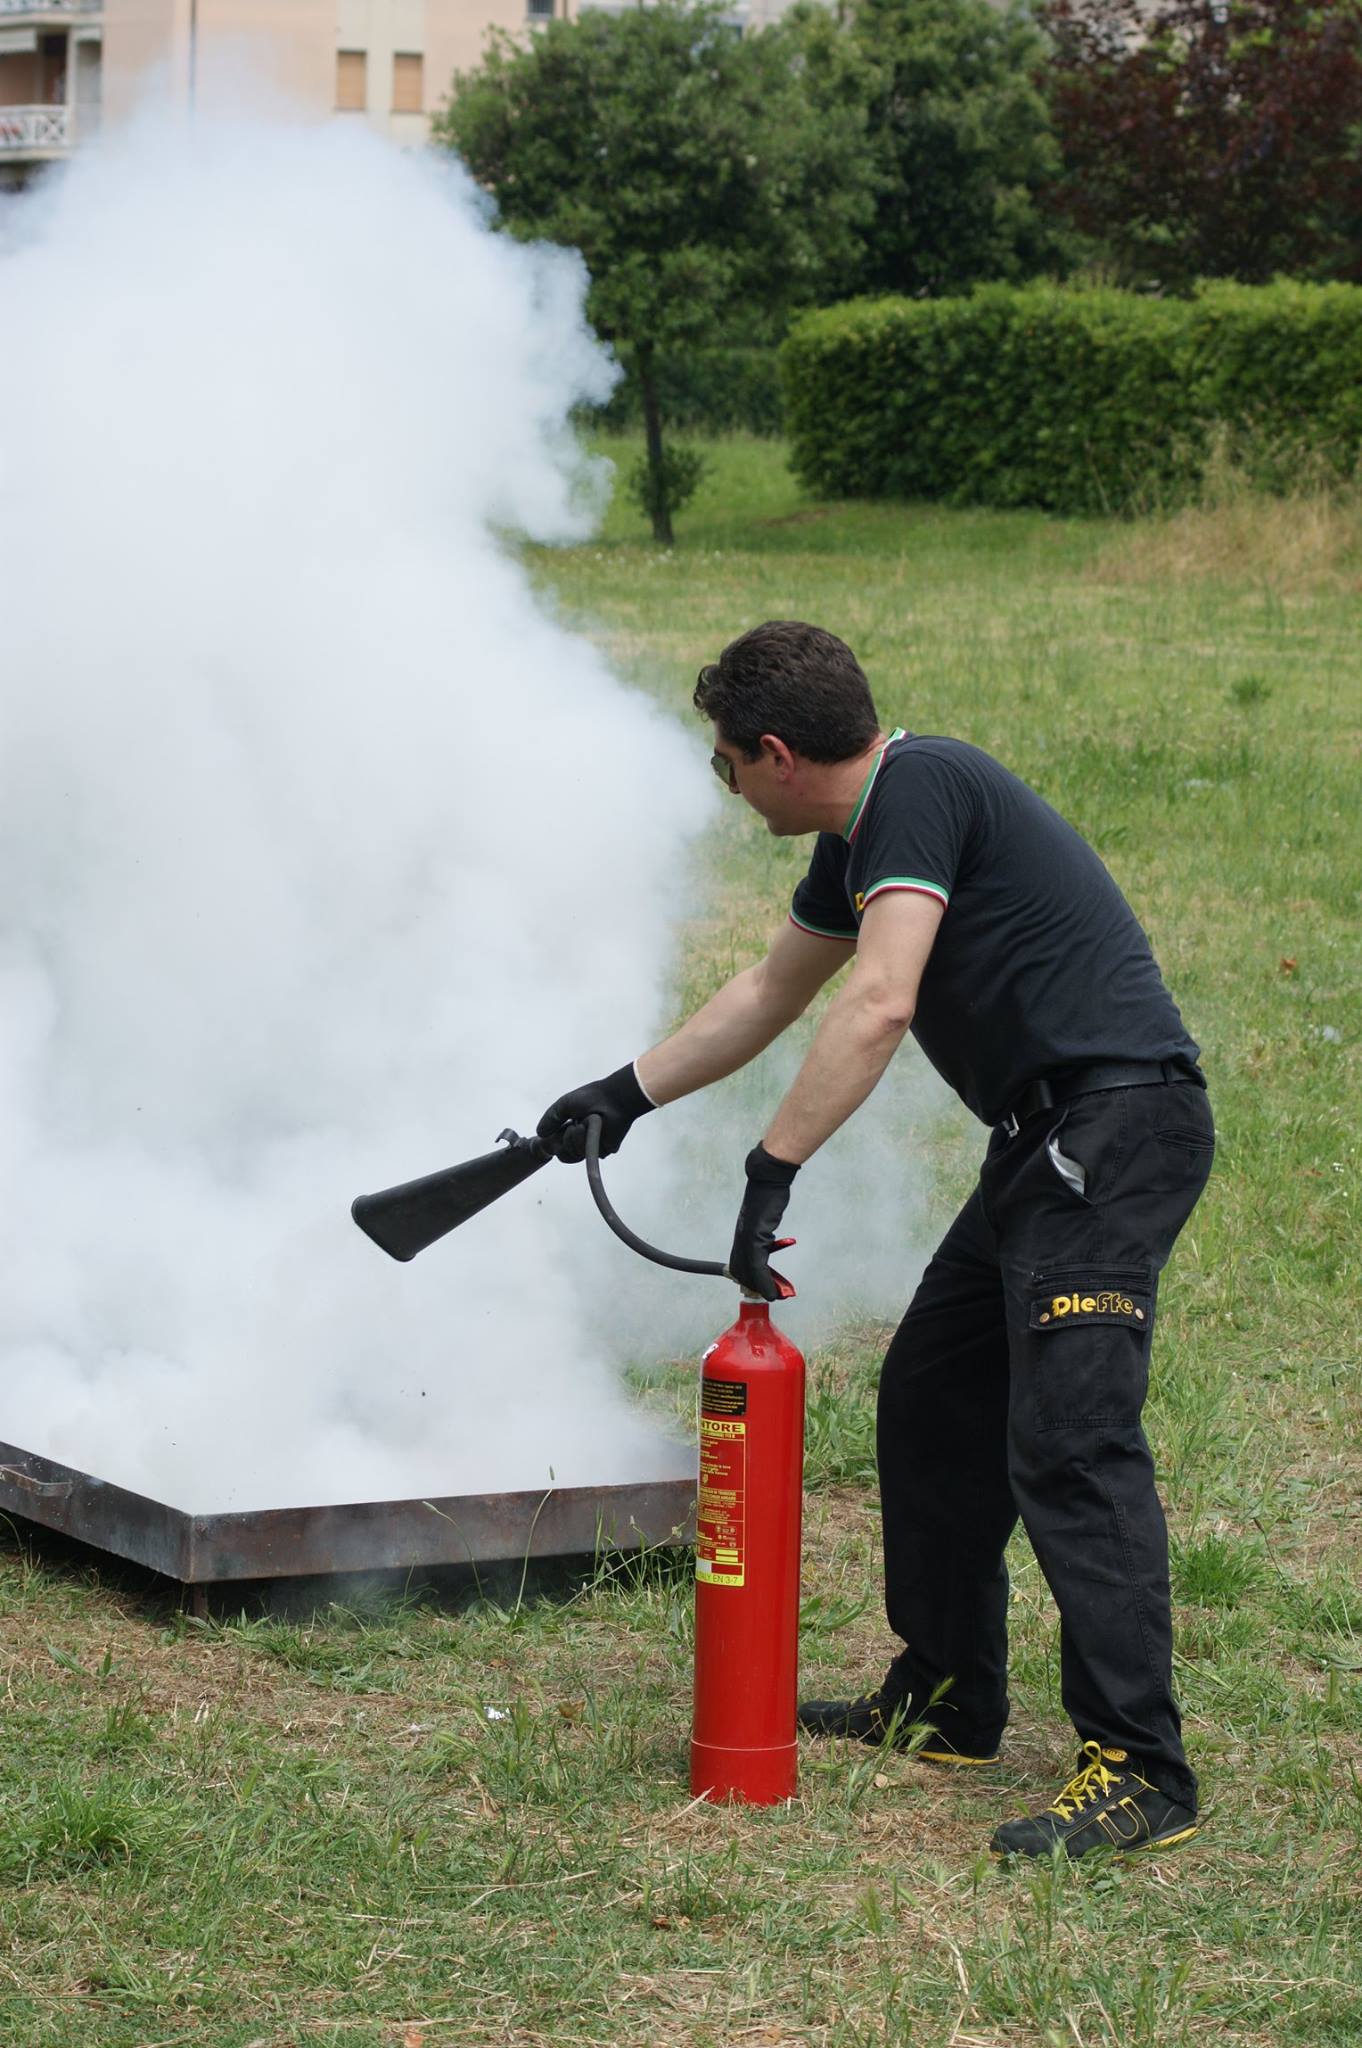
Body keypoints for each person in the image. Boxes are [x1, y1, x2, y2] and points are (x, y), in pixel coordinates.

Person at [538, 620, 1215, 1861]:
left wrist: (770, 1167)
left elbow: (882, 995)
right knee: (933, 1395)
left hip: (1116, 1131)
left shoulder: (924, 786)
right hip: (1046, 1141)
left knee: (1069, 1441)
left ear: (778, 753)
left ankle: (1141, 1765)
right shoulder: (862, 830)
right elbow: (768, 990)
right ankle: (950, 1695)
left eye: (726, 761)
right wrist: (619, 1095)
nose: (728, 784)